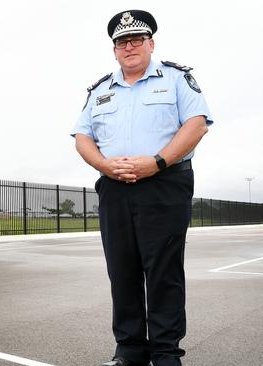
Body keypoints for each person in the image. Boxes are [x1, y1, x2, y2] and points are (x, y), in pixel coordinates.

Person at [71, 10, 213, 366]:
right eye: (122, 42)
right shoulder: (100, 89)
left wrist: (158, 161)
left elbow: (197, 125)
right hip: (115, 188)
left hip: (164, 184)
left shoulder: (177, 79)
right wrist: (104, 165)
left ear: (150, 44)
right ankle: (130, 350)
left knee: (163, 271)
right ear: (114, 50)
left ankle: (165, 353)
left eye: (136, 40)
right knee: (122, 271)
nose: (129, 47)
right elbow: (83, 137)